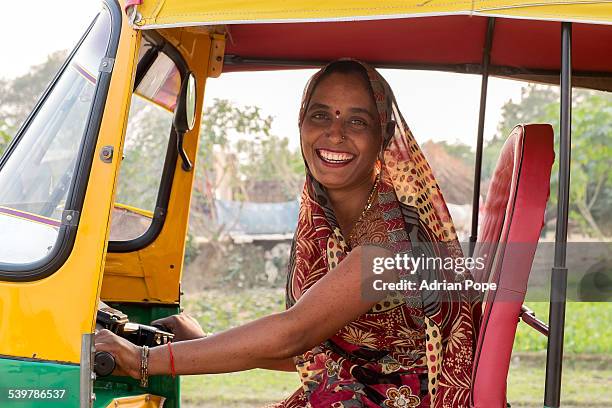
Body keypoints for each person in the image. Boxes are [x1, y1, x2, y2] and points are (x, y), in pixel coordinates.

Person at [95, 59, 480, 408]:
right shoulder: (333, 223)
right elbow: (323, 349)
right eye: (320, 116)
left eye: (357, 121)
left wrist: (142, 360)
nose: (335, 133)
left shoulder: (390, 240)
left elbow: (296, 334)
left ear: (385, 133)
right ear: (301, 123)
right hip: (358, 389)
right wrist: (204, 342)